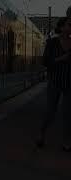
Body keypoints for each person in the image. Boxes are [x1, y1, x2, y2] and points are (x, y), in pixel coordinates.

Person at [36, 16, 71, 151]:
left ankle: (66, 141)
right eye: (69, 24)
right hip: (55, 81)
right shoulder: (52, 43)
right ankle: (41, 133)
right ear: (61, 27)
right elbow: (45, 62)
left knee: (68, 114)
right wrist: (61, 59)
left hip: (69, 83)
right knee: (51, 111)